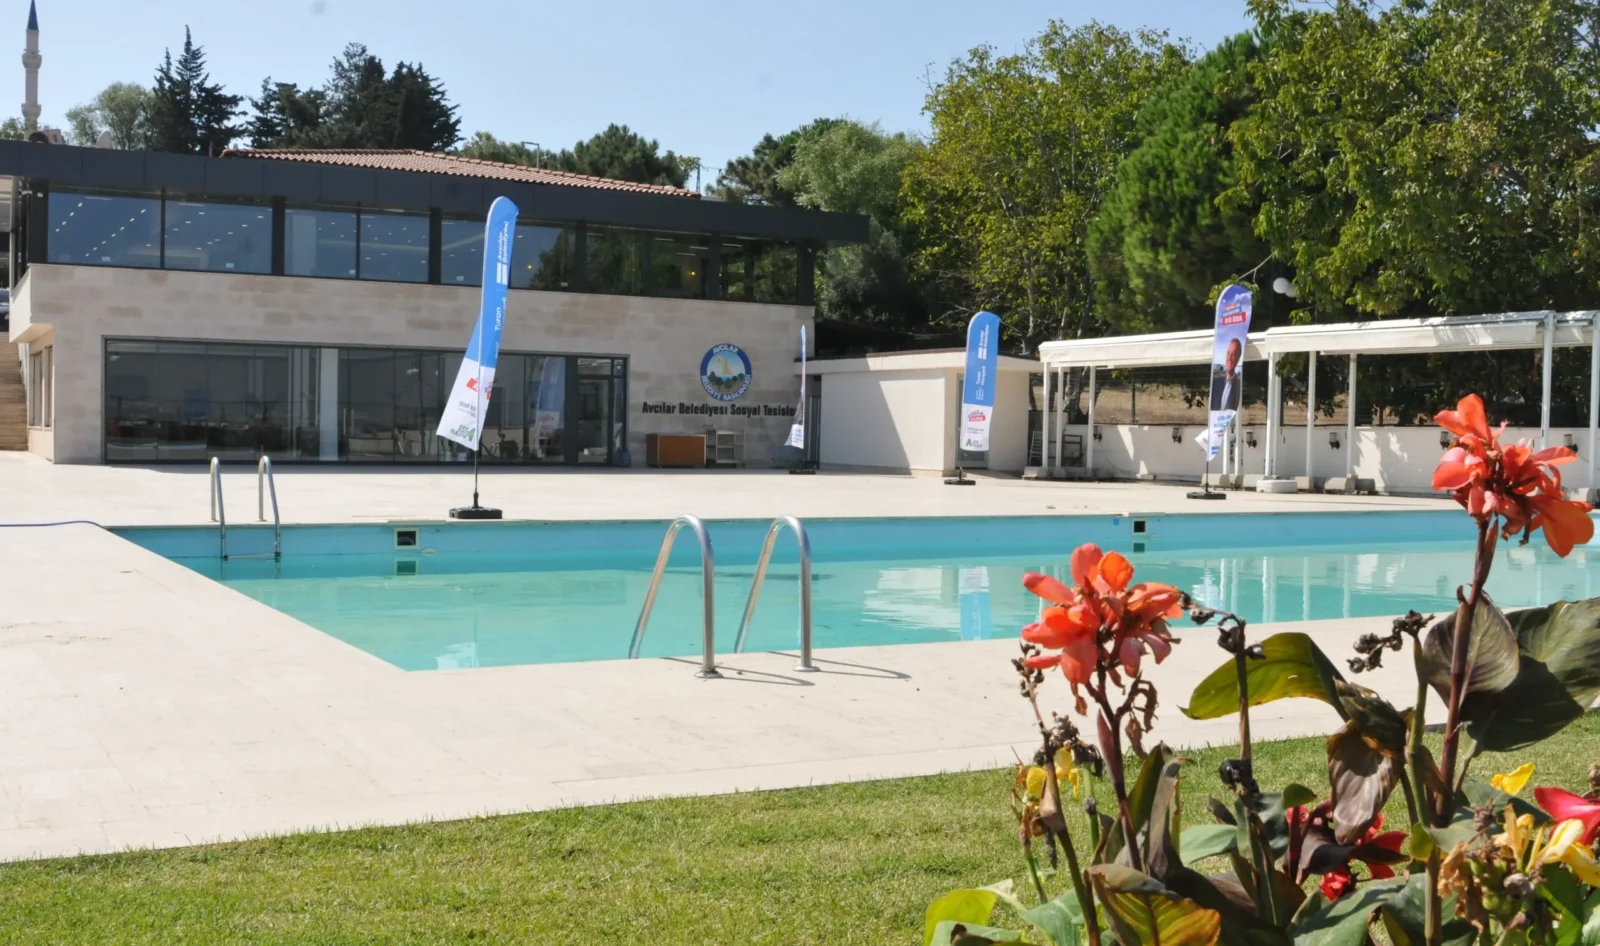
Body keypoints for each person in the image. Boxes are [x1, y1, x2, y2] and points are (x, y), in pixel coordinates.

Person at [1209, 337, 1243, 412]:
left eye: (1233, 354)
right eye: (1228, 354)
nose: (1229, 358)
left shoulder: (1239, 386)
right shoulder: (1216, 383)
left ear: (1239, 358)